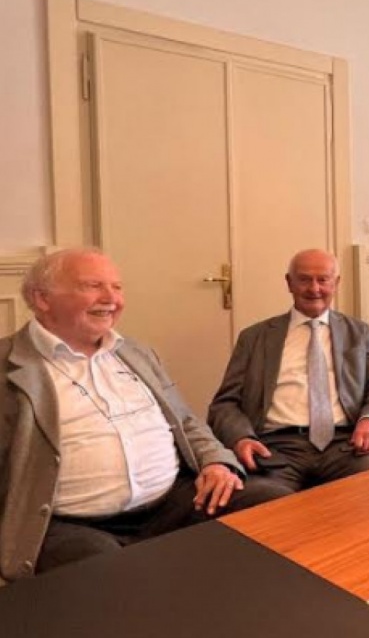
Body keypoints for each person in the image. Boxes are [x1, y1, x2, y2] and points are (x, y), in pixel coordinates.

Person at [0, 248, 283, 583]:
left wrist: (215, 462)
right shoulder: (8, 365)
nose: (111, 299)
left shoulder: (135, 352)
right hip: (71, 523)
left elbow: (185, 420)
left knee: (275, 506)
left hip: (172, 501)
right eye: (93, 286)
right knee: (117, 581)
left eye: (117, 287)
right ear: (42, 298)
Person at [208, 249, 369, 492]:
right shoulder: (254, 337)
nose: (314, 289)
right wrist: (242, 438)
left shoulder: (358, 332)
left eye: (323, 280)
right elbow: (225, 403)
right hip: (276, 447)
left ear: (336, 283)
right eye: (304, 279)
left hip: (346, 445)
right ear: (289, 283)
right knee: (264, 501)